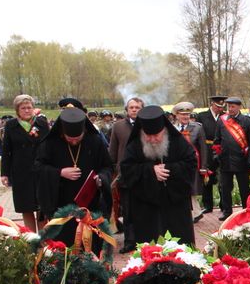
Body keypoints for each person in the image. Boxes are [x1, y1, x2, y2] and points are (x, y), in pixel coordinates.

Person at [118, 106, 196, 245]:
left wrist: (168, 169)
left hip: (175, 206)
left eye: (156, 135)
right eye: (148, 136)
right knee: (150, 249)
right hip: (146, 208)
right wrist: (150, 170)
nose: (152, 139)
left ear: (164, 131)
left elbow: (190, 164)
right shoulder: (135, 145)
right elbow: (126, 169)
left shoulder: (178, 142)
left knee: (180, 249)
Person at [34, 108, 113, 244]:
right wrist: (60, 172)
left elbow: (107, 167)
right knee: (64, 245)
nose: (74, 141)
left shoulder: (94, 141)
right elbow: (38, 167)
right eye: (70, 138)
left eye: (78, 138)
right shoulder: (50, 143)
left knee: (92, 245)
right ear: (63, 132)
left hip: (91, 204)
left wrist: (101, 178)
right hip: (61, 203)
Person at [0, 94, 49, 232]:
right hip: (21, 173)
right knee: (26, 207)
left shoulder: (42, 124)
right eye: (23, 108)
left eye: (29, 107)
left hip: (40, 172)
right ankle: (32, 239)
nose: (27, 110)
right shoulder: (11, 126)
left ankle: (44, 240)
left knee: (42, 207)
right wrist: (4, 173)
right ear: (17, 110)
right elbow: (6, 151)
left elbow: (50, 147)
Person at [110, 96, 144, 252]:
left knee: (144, 208)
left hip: (144, 173)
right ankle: (130, 241)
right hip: (124, 175)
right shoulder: (118, 127)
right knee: (128, 210)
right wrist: (114, 171)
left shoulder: (148, 125)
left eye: (137, 107)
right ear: (127, 110)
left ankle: (145, 239)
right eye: (131, 107)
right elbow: (113, 151)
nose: (134, 109)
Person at [213, 97, 250, 220]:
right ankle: (227, 211)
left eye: (233, 107)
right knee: (225, 187)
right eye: (228, 107)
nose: (230, 109)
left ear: (239, 107)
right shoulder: (222, 121)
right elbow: (217, 141)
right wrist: (217, 155)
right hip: (225, 160)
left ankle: (247, 210)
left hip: (242, 161)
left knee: (244, 188)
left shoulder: (247, 121)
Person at [172, 102, 209, 217]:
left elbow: (203, 148)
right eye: (182, 114)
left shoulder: (197, 128)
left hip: (192, 164)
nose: (185, 117)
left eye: (187, 114)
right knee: (179, 188)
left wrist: (203, 167)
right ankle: (192, 212)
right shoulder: (171, 128)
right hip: (176, 164)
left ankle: (194, 213)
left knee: (191, 189)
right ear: (177, 115)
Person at [194, 95, 227, 220]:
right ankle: (208, 205)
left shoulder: (225, 116)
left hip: (220, 150)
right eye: (218, 106)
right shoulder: (202, 116)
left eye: (221, 107)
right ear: (212, 104)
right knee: (207, 179)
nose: (220, 109)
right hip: (207, 149)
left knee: (223, 180)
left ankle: (224, 205)